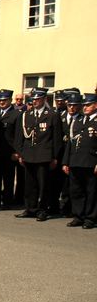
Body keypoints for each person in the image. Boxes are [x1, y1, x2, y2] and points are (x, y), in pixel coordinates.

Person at [14, 88, 63, 221]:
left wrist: (54, 157)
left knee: (44, 185)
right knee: (29, 184)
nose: (34, 101)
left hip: (44, 155)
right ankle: (30, 208)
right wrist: (20, 154)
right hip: (29, 154)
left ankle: (42, 209)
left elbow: (57, 138)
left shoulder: (52, 114)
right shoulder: (26, 115)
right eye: (33, 99)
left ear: (44, 99)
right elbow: (20, 137)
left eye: (37, 99)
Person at [62, 93, 97, 228]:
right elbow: (70, 143)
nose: (85, 108)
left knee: (91, 191)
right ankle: (78, 216)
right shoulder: (78, 120)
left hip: (90, 161)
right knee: (76, 191)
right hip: (75, 161)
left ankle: (90, 218)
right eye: (84, 105)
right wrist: (65, 162)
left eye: (88, 105)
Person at [0, 89, 21, 209]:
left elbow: (18, 135)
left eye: (4, 100)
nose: (1, 102)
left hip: (9, 151)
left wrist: (17, 152)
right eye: (0, 100)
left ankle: (8, 200)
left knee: (8, 178)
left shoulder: (16, 114)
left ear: (10, 100)